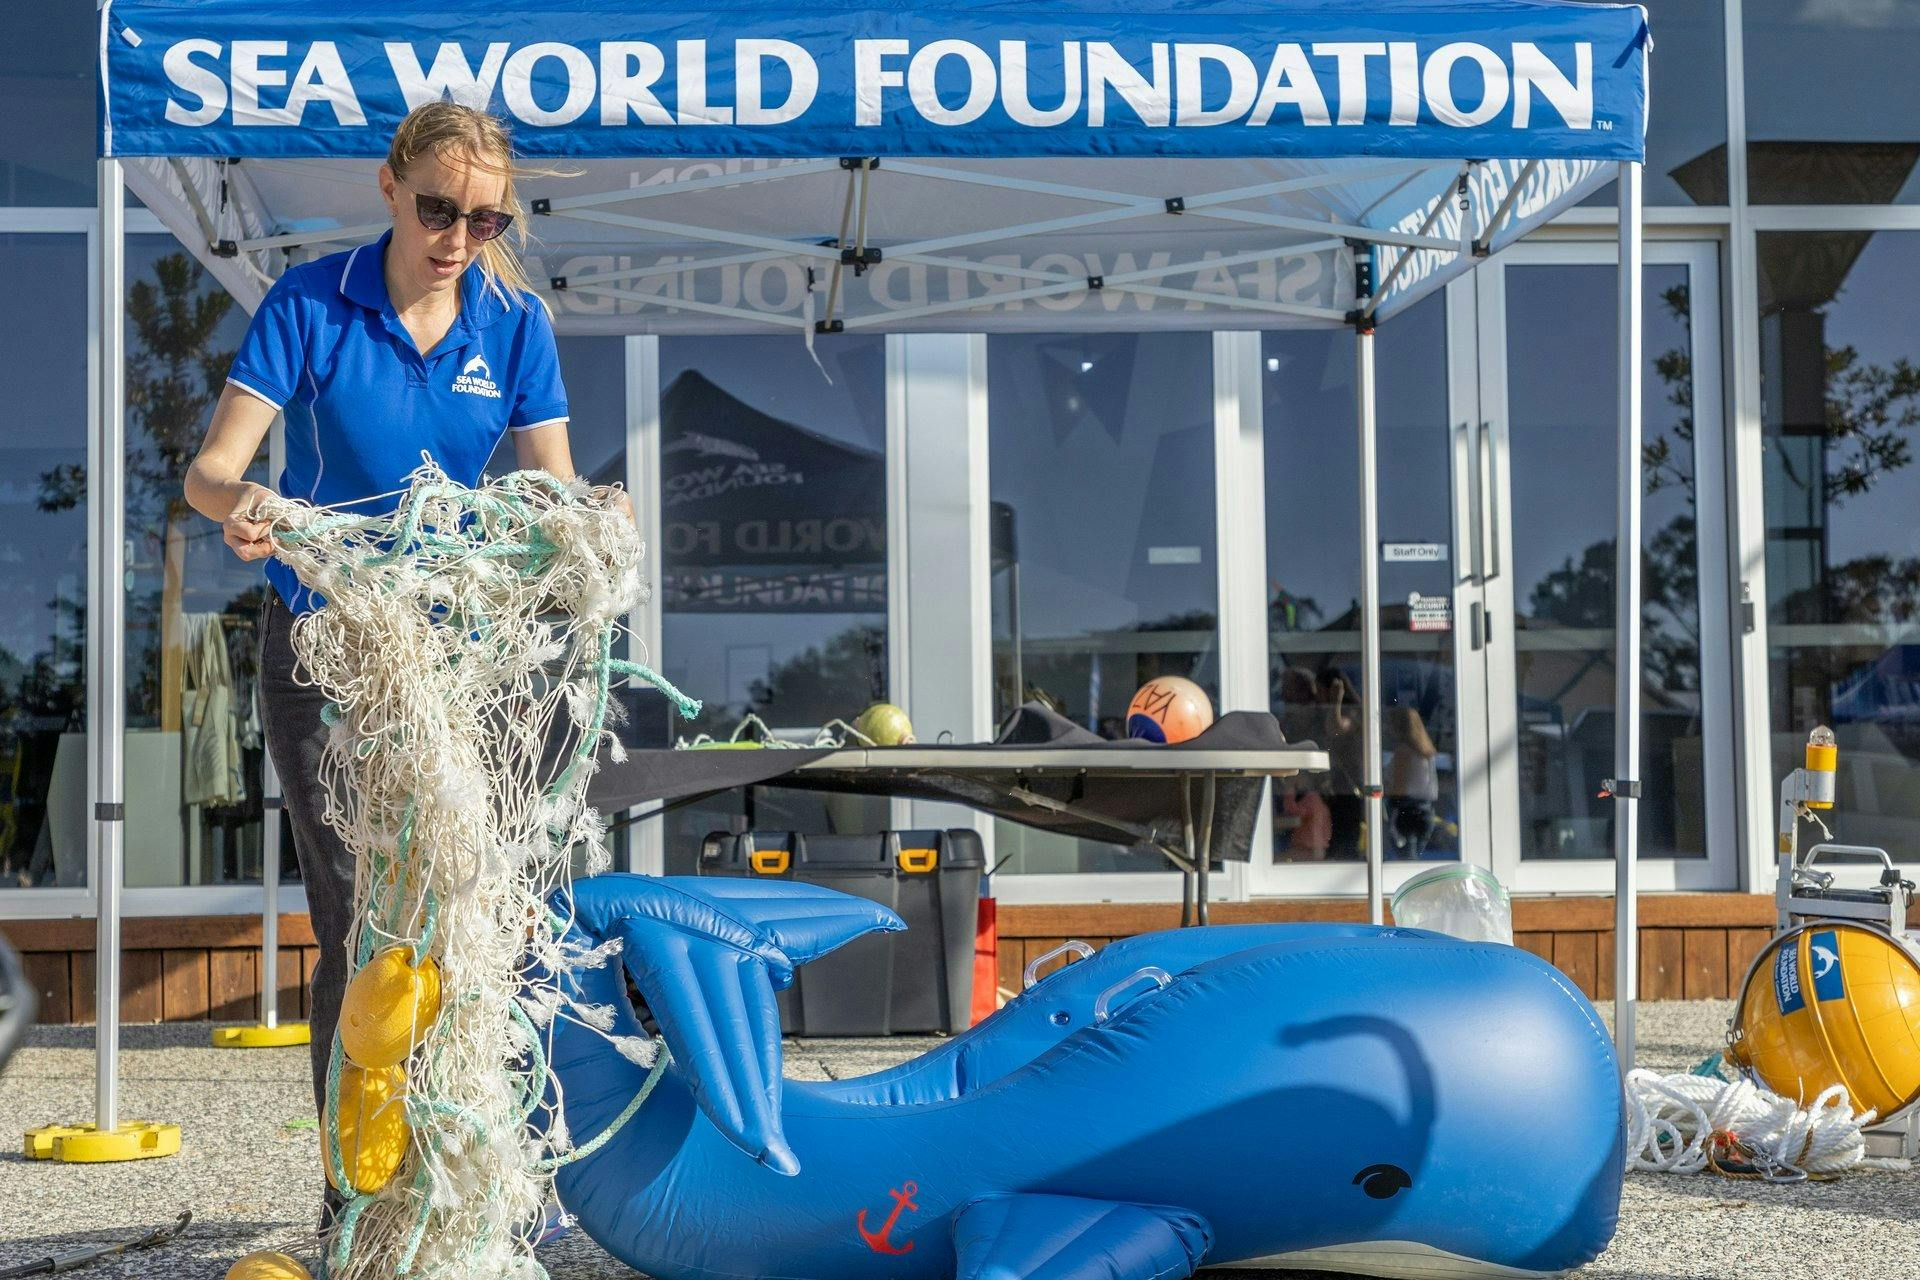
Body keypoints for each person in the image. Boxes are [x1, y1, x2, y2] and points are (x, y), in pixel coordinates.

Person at [183, 102, 611, 1236]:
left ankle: (457, 1161)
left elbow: (549, 488)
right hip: (324, 645)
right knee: (364, 917)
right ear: (388, 188)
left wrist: (588, 524)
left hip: (459, 660)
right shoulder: (311, 303)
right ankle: (356, 1198)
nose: (457, 234)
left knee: (459, 912)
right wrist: (250, 506)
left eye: (485, 216)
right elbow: (211, 472)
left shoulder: (514, 323)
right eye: (437, 207)